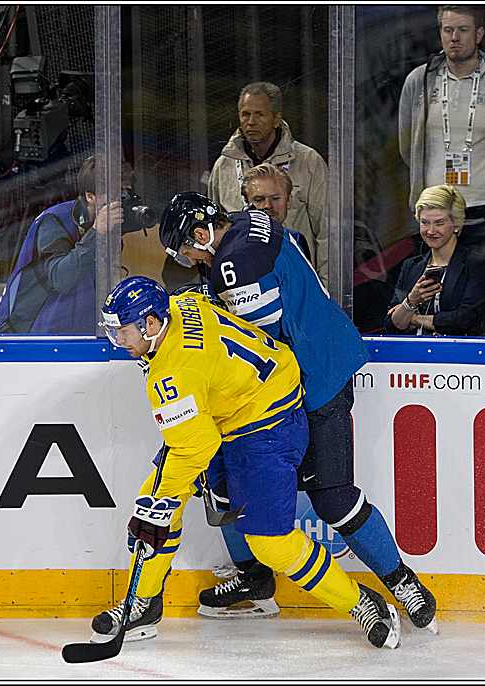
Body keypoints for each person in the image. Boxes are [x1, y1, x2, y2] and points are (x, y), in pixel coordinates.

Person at [158, 192, 438, 633]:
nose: (190, 260)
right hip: (317, 362)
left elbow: (261, 345)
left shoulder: (234, 268)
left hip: (311, 384)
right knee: (228, 486)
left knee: (332, 498)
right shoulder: (250, 221)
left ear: (200, 232)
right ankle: (254, 580)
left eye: (186, 250)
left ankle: (400, 580)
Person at [93, 275, 401, 650]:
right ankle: (143, 604)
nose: (118, 340)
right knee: (155, 501)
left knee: (270, 542)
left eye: (123, 331)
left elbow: (196, 447)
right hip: (242, 405)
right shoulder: (181, 305)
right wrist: (162, 500)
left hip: (268, 424)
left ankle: (362, 603)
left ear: (151, 324)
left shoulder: (172, 373)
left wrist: (163, 502)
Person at [398, 6, 485, 256]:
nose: (454, 37)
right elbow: (407, 148)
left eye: (463, 30)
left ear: (479, 34)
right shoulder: (418, 81)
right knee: (438, 290)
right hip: (435, 211)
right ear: (440, 33)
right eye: (448, 30)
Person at [0, 156, 127, 334]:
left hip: (73, 331)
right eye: (115, 196)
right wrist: (97, 233)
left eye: (124, 194)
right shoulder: (55, 221)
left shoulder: (108, 227)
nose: (120, 202)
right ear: (90, 196)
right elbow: (61, 279)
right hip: (24, 336)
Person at [206, 82, 329, 284]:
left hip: (295, 281)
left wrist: (324, 289)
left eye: (259, 114)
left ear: (276, 119)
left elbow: (327, 234)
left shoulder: (308, 163)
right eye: (245, 114)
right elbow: (214, 232)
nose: (251, 122)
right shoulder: (224, 166)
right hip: (242, 286)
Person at [384, 185, 485, 335]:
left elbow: (464, 320)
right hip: (416, 354)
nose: (431, 231)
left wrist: (413, 319)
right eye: (425, 222)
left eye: (439, 223)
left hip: (459, 354)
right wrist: (411, 301)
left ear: (457, 224)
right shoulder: (411, 266)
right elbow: (391, 326)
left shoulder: (475, 264)